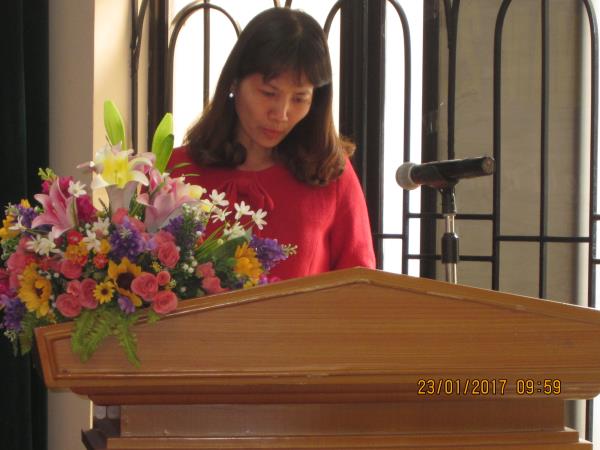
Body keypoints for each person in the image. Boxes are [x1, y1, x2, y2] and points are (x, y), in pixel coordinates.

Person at [168, 7, 376, 280]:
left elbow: (360, 286)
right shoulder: (177, 171)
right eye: (268, 93)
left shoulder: (330, 173)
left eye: (299, 98)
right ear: (234, 82)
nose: (281, 114)